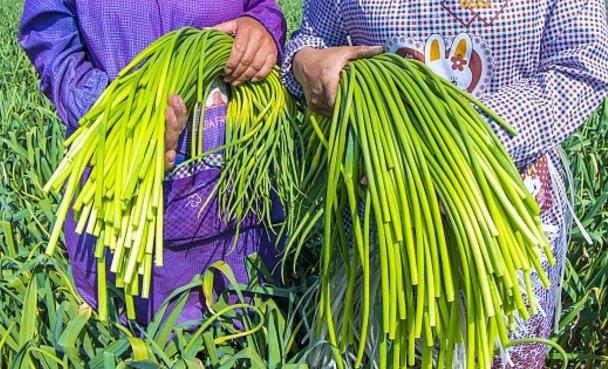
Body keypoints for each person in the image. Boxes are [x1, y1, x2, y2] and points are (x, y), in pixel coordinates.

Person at [281, 0, 608, 368]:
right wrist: (305, 64)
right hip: (382, 218)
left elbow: (584, 63)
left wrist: (455, 148)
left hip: (503, 219)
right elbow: (309, 41)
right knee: (385, 350)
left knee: (498, 352)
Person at [19, 0, 286, 325]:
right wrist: (120, 110)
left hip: (237, 215)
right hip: (122, 215)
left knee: (248, 329)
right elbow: (50, 38)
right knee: (132, 338)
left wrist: (262, 28)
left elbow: (262, 8)